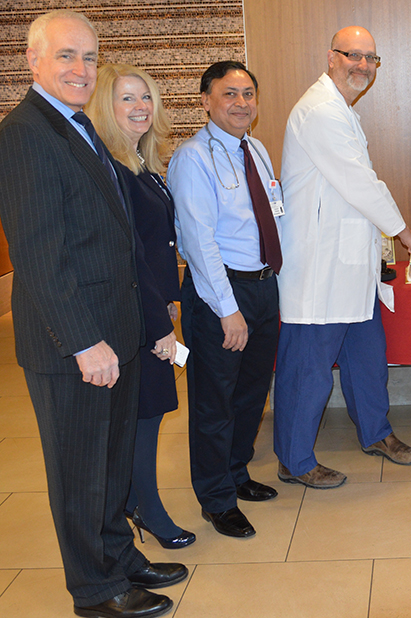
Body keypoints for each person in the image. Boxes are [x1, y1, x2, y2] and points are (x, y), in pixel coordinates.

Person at [0, 11, 186, 618]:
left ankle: (121, 559)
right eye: (66, 56)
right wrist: (83, 341)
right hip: (75, 344)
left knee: (109, 464)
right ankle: (95, 591)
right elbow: (38, 254)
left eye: (88, 57)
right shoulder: (26, 133)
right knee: (80, 474)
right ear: (34, 61)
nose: (80, 69)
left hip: (118, 332)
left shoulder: (77, 127)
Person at [274, 26, 411, 488]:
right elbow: (360, 183)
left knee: (368, 361)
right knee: (309, 373)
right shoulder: (320, 110)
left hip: (352, 268)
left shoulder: (342, 111)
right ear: (331, 57)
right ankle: (294, 459)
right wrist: (404, 232)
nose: (362, 65)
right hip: (319, 273)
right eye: (353, 55)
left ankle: (376, 434)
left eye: (370, 58)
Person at [167, 61, 281, 538]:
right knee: (215, 402)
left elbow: (273, 217)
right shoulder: (192, 158)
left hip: (261, 286)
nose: (241, 103)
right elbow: (198, 241)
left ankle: (237, 473)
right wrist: (227, 309)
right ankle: (216, 499)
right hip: (220, 293)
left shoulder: (256, 149)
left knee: (252, 393)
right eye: (229, 94)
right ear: (206, 101)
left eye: (248, 94)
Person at [85, 64, 195, 547]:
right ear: (104, 108)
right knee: (146, 413)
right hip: (135, 320)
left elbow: (158, 247)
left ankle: (137, 500)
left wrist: (169, 305)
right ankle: (144, 507)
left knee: (148, 411)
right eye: (126, 99)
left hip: (153, 310)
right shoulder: (113, 171)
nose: (140, 108)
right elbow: (131, 260)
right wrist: (159, 325)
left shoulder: (140, 164)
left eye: (146, 98)